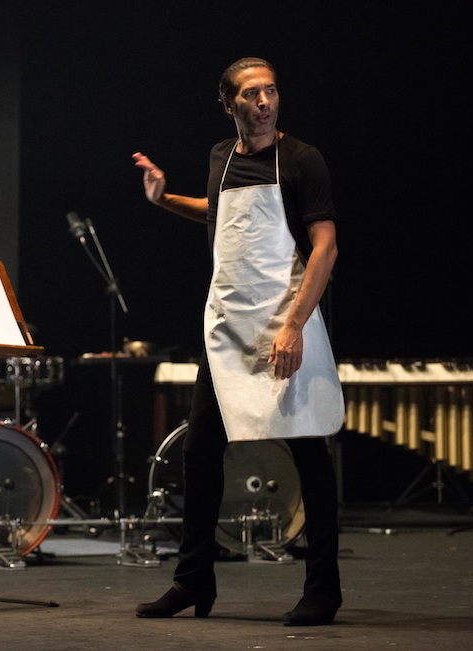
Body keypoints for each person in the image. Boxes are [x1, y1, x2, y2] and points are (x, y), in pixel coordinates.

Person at [131, 57, 344, 626]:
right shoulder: (220, 158)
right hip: (228, 329)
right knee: (200, 452)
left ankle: (324, 590)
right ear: (229, 104)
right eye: (252, 94)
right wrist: (163, 200)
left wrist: (294, 325)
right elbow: (220, 218)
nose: (266, 101)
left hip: (284, 322)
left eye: (272, 90)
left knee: (309, 454)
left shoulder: (302, 160)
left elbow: (325, 246)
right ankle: (193, 581)